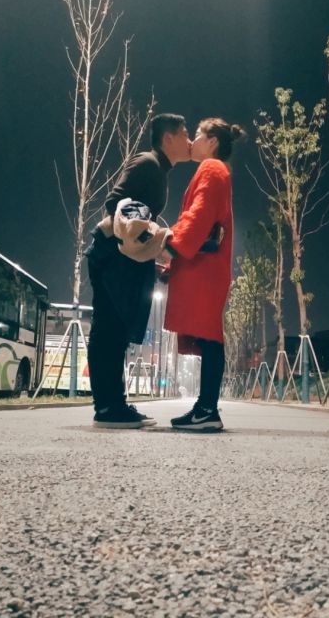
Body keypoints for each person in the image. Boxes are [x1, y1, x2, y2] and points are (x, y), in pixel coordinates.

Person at [85, 114, 190, 429]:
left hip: (120, 257)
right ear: (168, 138)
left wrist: (148, 250)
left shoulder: (158, 169)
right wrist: (153, 237)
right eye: (184, 134)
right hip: (111, 255)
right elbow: (115, 202)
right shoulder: (148, 163)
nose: (188, 141)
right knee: (109, 330)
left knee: (116, 332)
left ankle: (115, 404)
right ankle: (107, 408)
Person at [162, 118, 245, 431]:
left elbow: (199, 215)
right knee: (209, 335)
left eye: (197, 135)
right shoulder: (218, 170)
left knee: (210, 336)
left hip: (204, 269)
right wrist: (172, 262)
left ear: (212, 142)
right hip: (205, 267)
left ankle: (208, 410)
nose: (191, 141)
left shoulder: (212, 168)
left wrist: (170, 247)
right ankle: (204, 407)